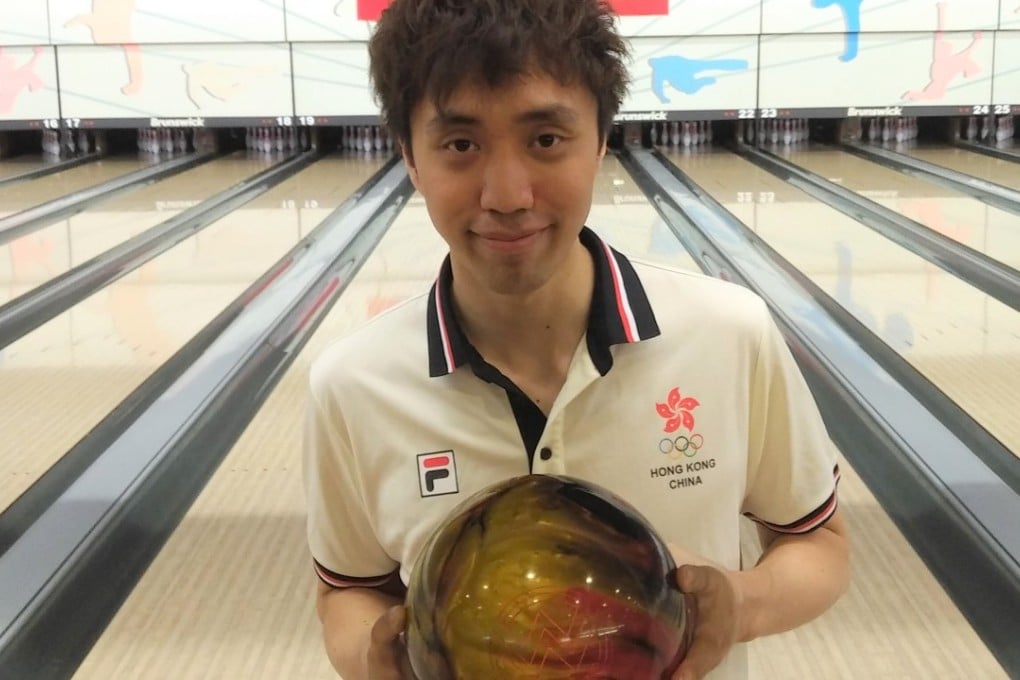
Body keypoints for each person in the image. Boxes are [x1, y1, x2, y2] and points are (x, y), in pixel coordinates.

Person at [303, 1, 850, 678]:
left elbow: (817, 541)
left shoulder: (729, 333)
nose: (507, 195)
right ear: (410, 157)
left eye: (546, 140)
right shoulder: (353, 385)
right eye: (461, 145)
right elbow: (348, 587)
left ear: (599, 141)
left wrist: (745, 601)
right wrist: (373, 654)